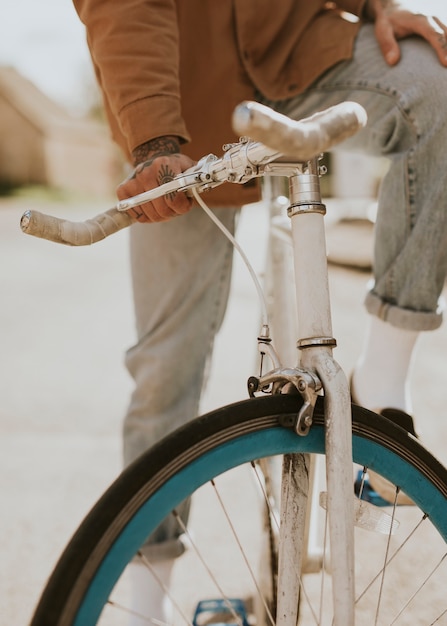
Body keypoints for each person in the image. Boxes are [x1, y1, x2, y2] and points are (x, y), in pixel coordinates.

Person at [72, 0, 447, 622]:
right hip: (180, 108)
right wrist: (153, 137)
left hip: (299, 58)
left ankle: (382, 383)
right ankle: (146, 603)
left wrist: (378, 5)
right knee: (168, 361)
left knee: (436, 89)